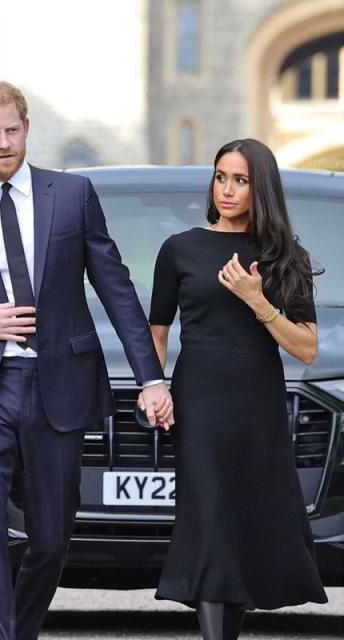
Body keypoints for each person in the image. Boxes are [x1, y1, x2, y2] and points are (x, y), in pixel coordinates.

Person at [0, 79, 173, 640]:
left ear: (26, 128)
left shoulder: (72, 196)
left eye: (12, 131)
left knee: (51, 539)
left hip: (58, 383)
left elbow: (116, 289)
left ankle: (16, 629)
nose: (3, 143)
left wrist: (151, 377)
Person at [148, 139, 328, 639]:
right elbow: (157, 330)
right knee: (207, 516)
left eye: (241, 180)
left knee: (244, 519)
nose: (227, 189)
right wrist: (154, 387)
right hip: (199, 399)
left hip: (258, 402)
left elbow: (307, 348)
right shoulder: (180, 248)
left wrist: (258, 300)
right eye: (221, 176)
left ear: (260, 188)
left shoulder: (286, 257)